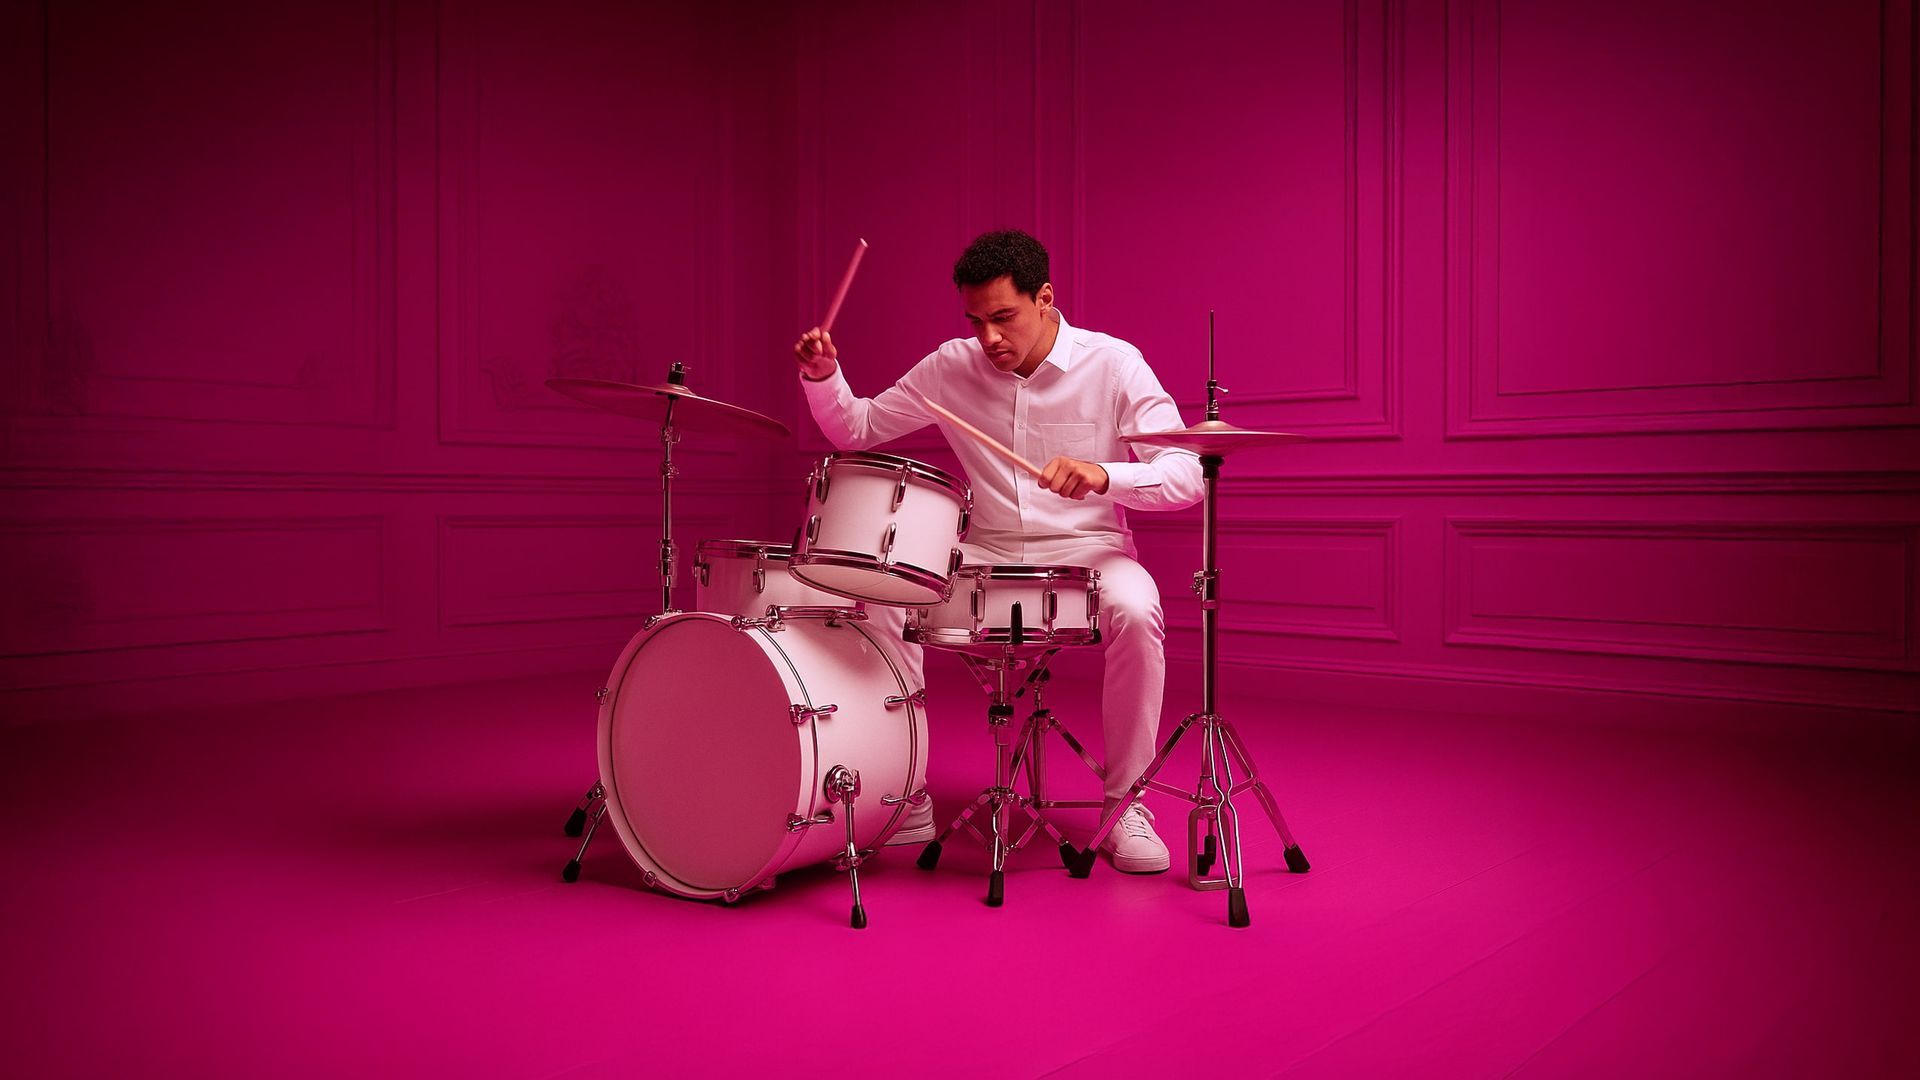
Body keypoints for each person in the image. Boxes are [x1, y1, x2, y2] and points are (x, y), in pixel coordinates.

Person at [792, 229, 1202, 872]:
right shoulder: (950, 366)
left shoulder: (1115, 364)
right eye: (976, 321)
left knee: (1138, 609)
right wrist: (823, 377)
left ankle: (1126, 807)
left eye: (1004, 317)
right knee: (884, 599)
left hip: (1088, 552)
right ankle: (906, 798)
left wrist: (1105, 475)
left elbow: (1186, 475)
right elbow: (857, 429)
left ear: (1045, 299)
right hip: (985, 550)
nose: (988, 338)